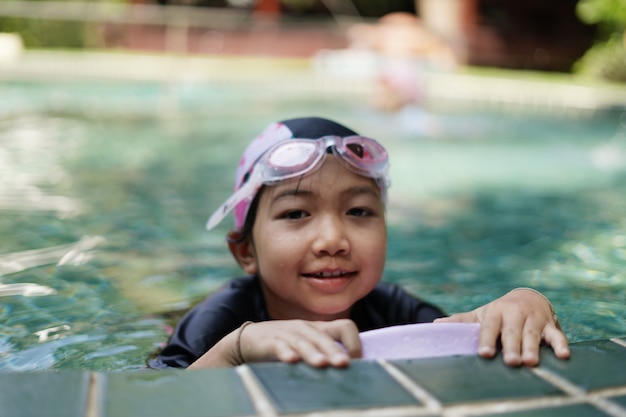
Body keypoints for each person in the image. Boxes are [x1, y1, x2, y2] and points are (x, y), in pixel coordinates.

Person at [149, 116, 570, 370]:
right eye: (296, 214)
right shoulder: (220, 319)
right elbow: (148, 398)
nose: (333, 240)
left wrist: (526, 302)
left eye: (359, 212)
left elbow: (461, 338)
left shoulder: (394, 310)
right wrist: (235, 351)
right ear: (246, 252)